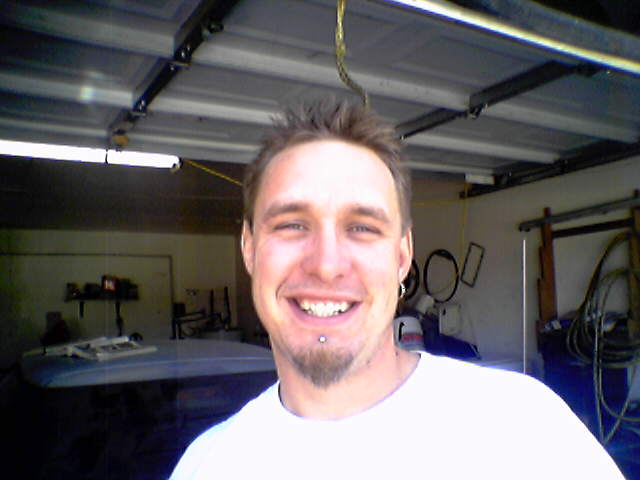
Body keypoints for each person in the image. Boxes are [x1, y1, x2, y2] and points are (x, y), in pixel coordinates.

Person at [171, 100, 624, 479]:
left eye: (362, 227)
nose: (326, 265)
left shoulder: (523, 430)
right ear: (249, 248)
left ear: (403, 255)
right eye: (291, 224)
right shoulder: (205, 466)